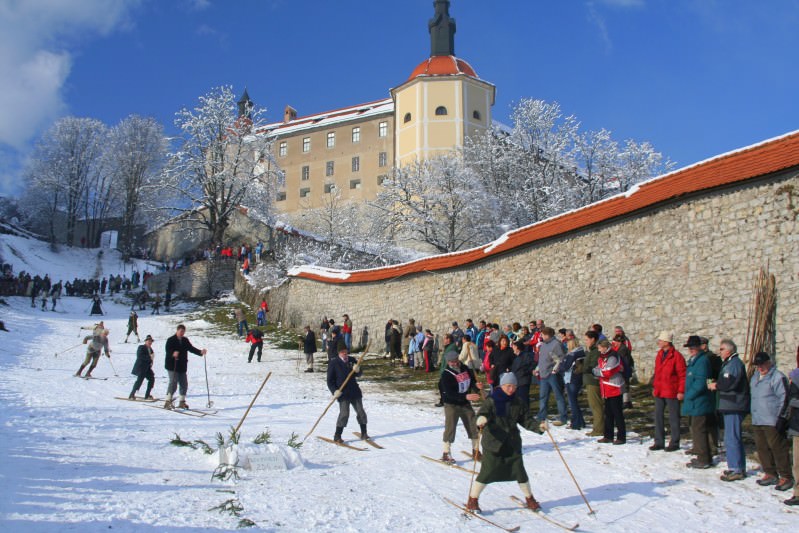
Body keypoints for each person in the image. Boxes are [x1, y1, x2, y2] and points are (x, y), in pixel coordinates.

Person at [468, 372, 545, 513]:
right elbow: (481, 414)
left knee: (520, 472)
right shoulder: (491, 400)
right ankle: (473, 500)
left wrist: (538, 427)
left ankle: (530, 498)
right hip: (494, 443)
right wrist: (481, 420)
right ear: (502, 386)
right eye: (509, 386)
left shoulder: (518, 401)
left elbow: (526, 419)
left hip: (512, 442)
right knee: (487, 473)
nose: (511, 389)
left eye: (514, 386)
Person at [749, 352, 793, 491]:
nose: (760, 368)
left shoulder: (777, 377)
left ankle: (785, 476)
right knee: (762, 448)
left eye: (762, 364)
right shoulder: (755, 377)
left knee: (778, 448)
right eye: (758, 365)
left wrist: (782, 418)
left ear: (769, 362)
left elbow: (784, 398)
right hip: (758, 418)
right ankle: (770, 472)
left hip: (772, 419)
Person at [708, 339, 749, 481]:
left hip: (734, 405)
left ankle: (736, 468)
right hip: (729, 405)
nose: (720, 352)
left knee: (732, 438)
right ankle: (736, 466)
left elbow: (729, 383)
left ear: (729, 350)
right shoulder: (729, 363)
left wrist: (716, 385)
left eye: (721, 349)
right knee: (730, 437)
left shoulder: (734, 364)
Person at [439, 350, 481, 463]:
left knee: (473, 425)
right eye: (453, 362)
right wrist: (466, 396)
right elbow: (449, 393)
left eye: (457, 360)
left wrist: (476, 386)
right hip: (451, 404)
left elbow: (471, 381)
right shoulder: (446, 375)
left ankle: (476, 451)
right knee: (450, 427)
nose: (456, 363)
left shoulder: (465, 368)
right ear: (448, 362)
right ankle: (446, 453)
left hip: (465, 403)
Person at [681, 335, 716, 469]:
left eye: (693, 347)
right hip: (695, 401)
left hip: (699, 401)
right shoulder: (694, 360)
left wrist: (689, 395)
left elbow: (701, 382)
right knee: (697, 429)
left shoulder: (702, 361)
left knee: (699, 430)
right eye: (690, 347)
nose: (691, 349)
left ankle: (704, 458)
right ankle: (703, 455)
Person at [650, 331, 686, 452]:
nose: (658, 342)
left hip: (672, 391)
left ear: (666, 342)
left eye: (660, 340)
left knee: (673, 418)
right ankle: (659, 441)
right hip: (660, 390)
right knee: (658, 416)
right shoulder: (660, 354)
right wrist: (655, 387)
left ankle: (674, 441)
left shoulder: (677, 356)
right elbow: (657, 373)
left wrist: (681, 391)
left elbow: (682, 375)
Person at [327, 346, 369, 442]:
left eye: (346, 352)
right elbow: (329, 381)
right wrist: (334, 391)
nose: (345, 354)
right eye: (343, 352)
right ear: (339, 353)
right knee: (344, 414)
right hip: (343, 393)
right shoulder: (334, 363)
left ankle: (364, 433)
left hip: (354, 391)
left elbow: (359, 373)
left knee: (361, 412)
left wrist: (358, 370)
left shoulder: (351, 360)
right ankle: (337, 436)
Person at [163, 324, 207, 410]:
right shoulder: (171, 340)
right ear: (177, 331)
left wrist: (200, 352)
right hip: (172, 365)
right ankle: (168, 401)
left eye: (183, 332)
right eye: (181, 331)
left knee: (184, 383)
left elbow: (191, 348)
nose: (182, 333)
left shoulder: (185, 340)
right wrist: (173, 353)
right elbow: (168, 350)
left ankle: (182, 402)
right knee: (173, 382)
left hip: (182, 365)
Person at [594, 339, 626, 444]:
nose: (598, 350)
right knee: (608, 413)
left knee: (617, 413)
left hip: (615, 387)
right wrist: (598, 371)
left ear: (604, 347)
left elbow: (608, 372)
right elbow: (597, 369)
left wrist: (599, 372)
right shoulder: (601, 358)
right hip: (606, 388)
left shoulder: (613, 356)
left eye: (599, 348)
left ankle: (621, 437)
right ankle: (608, 435)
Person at [534, 327, 567, 426]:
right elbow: (542, 359)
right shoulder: (543, 345)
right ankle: (541, 417)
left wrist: (556, 368)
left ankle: (563, 417)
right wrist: (537, 369)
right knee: (543, 397)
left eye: (543, 335)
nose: (541, 336)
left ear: (548, 335)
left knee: (558, 396)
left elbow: (561, 358)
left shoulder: (556, 344)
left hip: (553, 375)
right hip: (543, 374)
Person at [561, 338, 586, 431]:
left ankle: (576, 422)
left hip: (571, 378)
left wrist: (561, 366)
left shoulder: (572, 354)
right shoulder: (582, 352)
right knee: (574, 400)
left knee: (573, 402)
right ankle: (581, 421)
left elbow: (566, 366)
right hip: (578, 378)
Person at [582, 330, 604, 436]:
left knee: (596, 405)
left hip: (593, 380)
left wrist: (582, 368)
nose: (585, 342)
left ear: (593, 339)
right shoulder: (592, 350)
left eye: (587, 339)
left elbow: (593, 365)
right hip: (590, 379)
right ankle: (598, 427)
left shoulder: (595, 351)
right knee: (594, 405)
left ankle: (599, 429)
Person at [784, 367, 799, 506]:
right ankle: (798, 493)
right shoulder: (795, 377)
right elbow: (791, 398)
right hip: (797, 425)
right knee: (797, 463)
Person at [510, 340, 534, 411]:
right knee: (518, 398)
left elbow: (532, 365)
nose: (512, 348)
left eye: (514, 346)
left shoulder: (525, 355)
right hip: (517, 381)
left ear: (517, 347)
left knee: (523, 398)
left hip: (524, 380)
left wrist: (525, 372)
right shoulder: (516, 357)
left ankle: (526, 412)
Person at [129, 335, 155, 400]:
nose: (150, 342)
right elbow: (140, 356)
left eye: (151, 341)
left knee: (151, 379)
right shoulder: (141, 347)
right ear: (145, 341)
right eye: (148, 341)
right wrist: (149, 357)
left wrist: (151, 362)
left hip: (147, 368)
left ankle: (147, 395)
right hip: (141, 367)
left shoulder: (151, 349)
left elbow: (151, 358)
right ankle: (132, 395)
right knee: (139, 381)